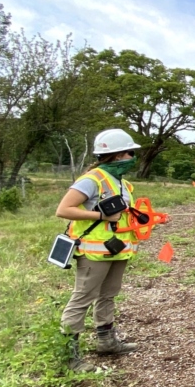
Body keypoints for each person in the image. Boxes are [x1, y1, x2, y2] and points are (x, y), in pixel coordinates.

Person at [54, 128, 144, 372]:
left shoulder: (122, 183)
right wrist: (100, 215)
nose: (132, 157)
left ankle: (106, 341)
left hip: (118, 249)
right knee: (83, 298)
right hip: (94, 252)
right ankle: (69, 355)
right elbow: (63, 209)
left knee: (108, 295)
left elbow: (125, 216)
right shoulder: (91, 179)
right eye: (129, 153)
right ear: (116, 155)